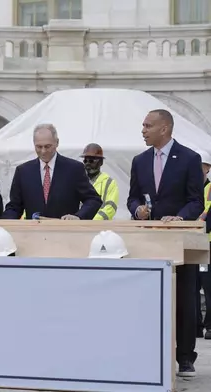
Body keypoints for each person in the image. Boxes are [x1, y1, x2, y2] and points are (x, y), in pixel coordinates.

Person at [127, 109, 204, 377]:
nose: (143, 130)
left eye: (148, 125)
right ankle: (151, 353)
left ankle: (185, 358)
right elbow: (132, 198)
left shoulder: (189, 159)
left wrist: (180, 217)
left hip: (179, 239)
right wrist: (138, 210)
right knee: (150, 299)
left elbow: (197, 200)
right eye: (143, 125)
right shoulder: (139, 161)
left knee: (184, 298)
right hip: (149, 240)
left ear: (165, 128)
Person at [2, 124, 102, 220]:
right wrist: (1, 226)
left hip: (64, 233)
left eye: (47, 146)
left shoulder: (74, 169)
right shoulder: (23, 172)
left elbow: (93, 200)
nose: (43, 151)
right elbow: (14, 207)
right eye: (39, 147)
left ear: (57, 142)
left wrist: (78, 216)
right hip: (33, 234)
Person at [81, 143, 119, 220]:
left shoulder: (109, 183)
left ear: (101, 162)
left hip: (100, 227)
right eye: (85, 161)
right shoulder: (78, 181)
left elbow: (110, 207)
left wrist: (93, 221)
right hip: (78, 224)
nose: (88, 164)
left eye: (91, 161)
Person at [196, 150, 211, 339]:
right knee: (193, 287)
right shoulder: (191, 187)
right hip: (194, 242)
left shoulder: (209, 188)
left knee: (208, 287)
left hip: (207, 244)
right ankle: (196, 326)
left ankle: (209, 326)